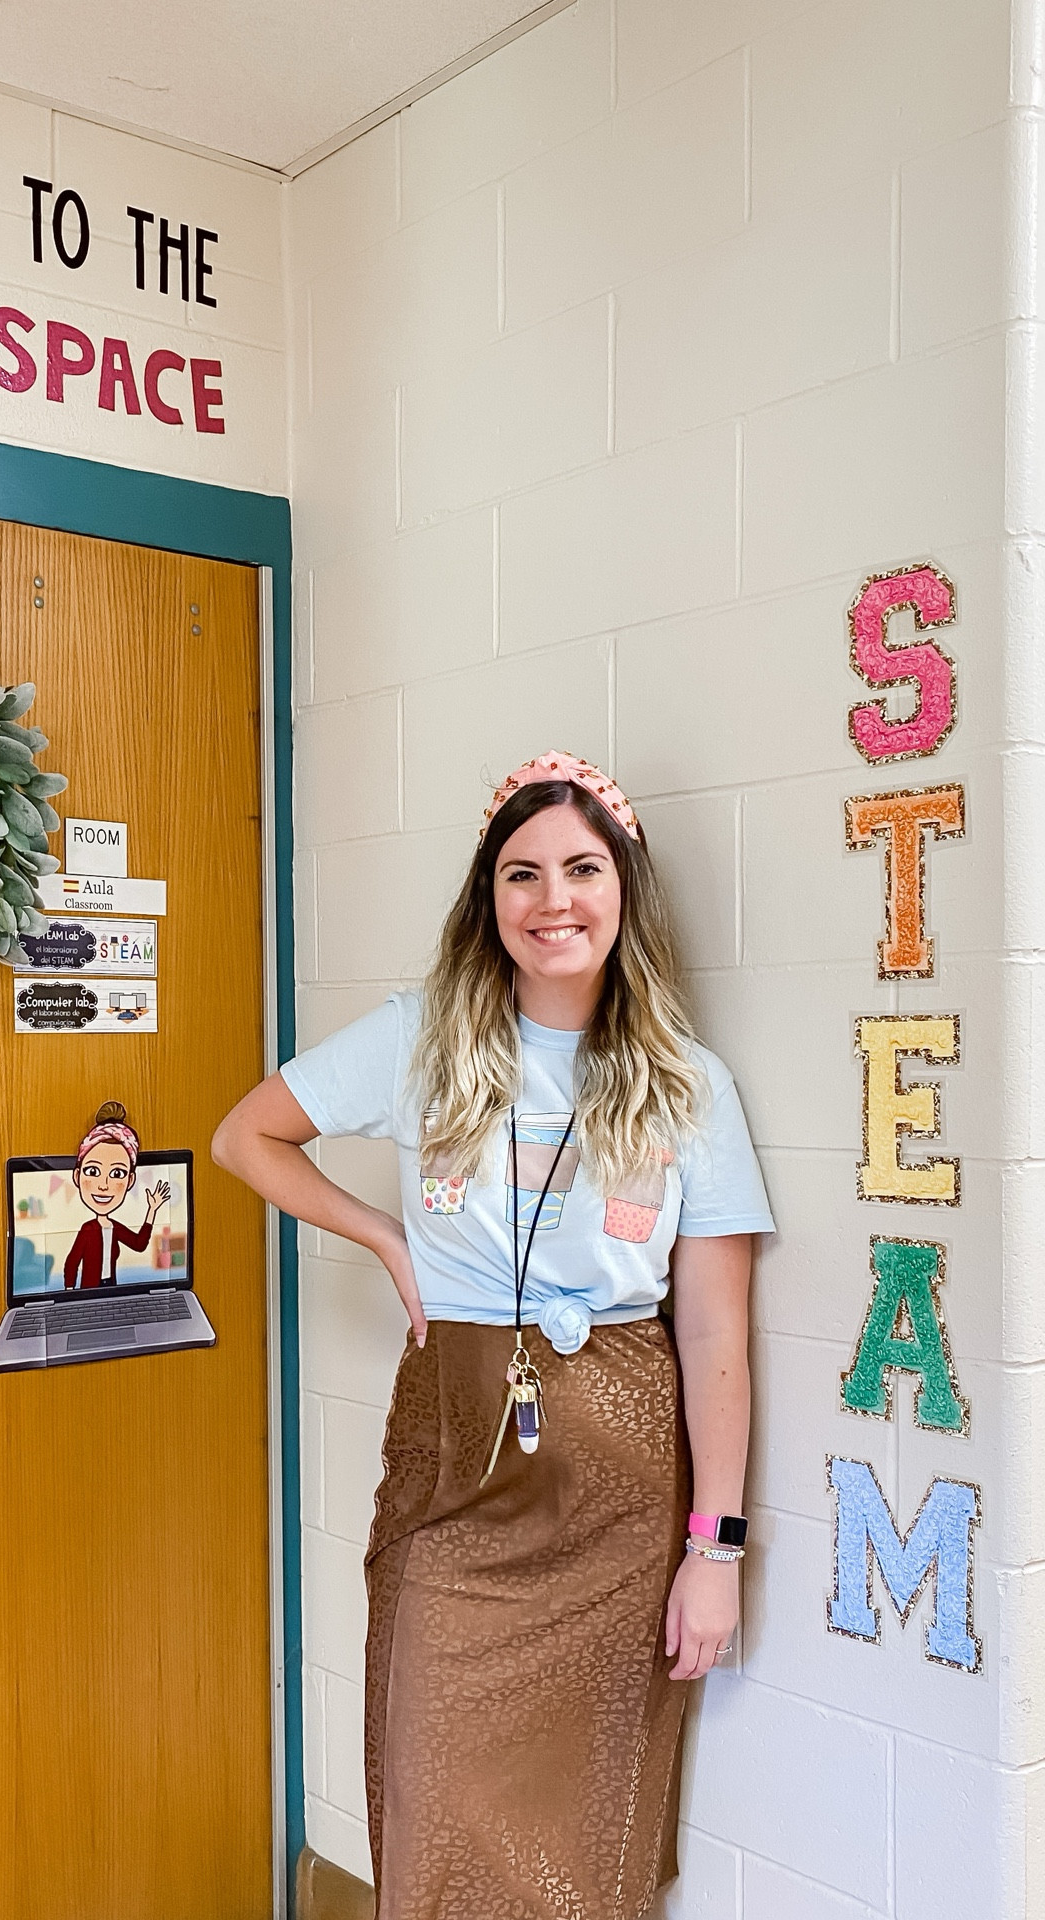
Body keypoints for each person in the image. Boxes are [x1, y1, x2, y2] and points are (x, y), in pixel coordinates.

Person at [212, 751, 773, 1920]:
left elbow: (718, 1328)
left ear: (624, 887)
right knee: (433, 1801)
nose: (552, 899)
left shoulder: (688, 1083)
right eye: (522, 874)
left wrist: (714, 1554)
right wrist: (384, 1236)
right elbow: (245, 1139)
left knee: (588, 1841)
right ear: (490, 900)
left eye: (581, 868)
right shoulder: (421, 1038)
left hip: (619, 1484)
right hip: (456, 1457)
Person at [62, 1117, 170, 1289]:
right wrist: (69, 1294)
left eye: (117, 1174)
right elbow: (71, 1262)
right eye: (92, 1171)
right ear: (77, 1176)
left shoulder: (115, 1228)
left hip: (111, 1289)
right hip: (89, 1294)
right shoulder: (87, 1229)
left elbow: (139, 1244)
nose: (104, 1186)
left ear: (130, 1180)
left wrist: (152, 1209)